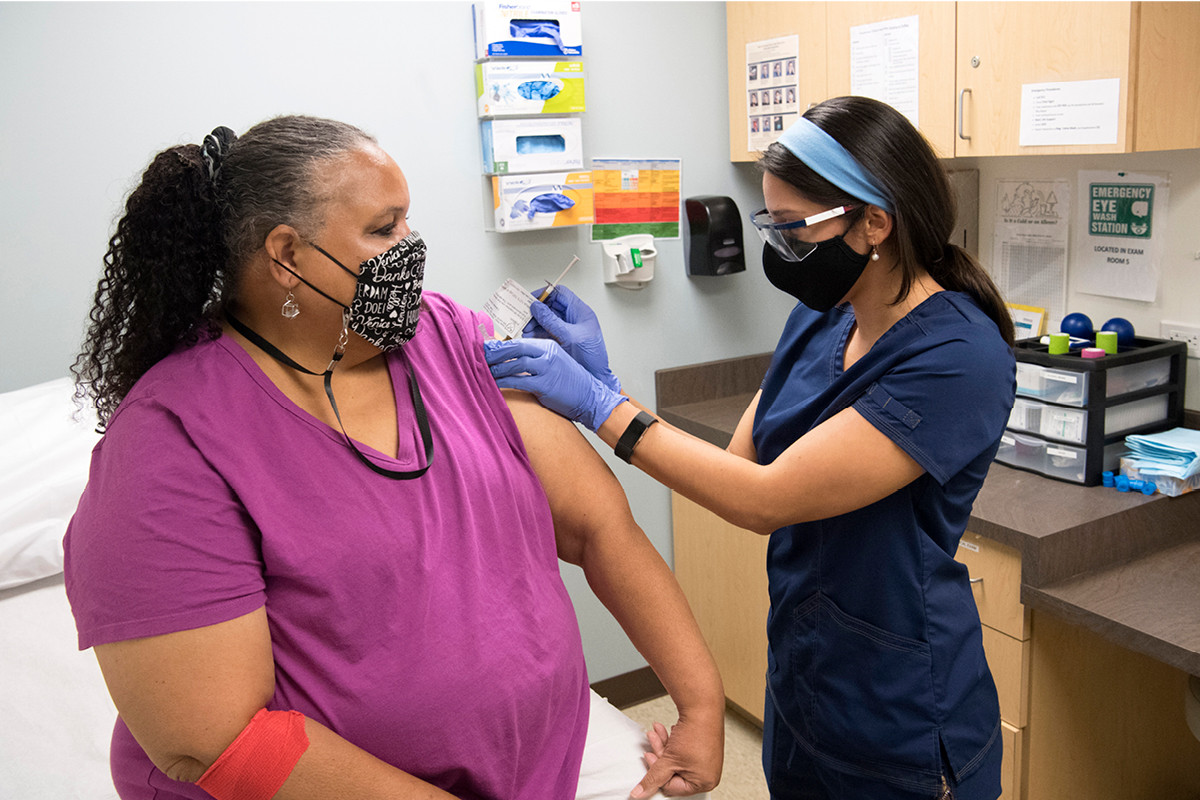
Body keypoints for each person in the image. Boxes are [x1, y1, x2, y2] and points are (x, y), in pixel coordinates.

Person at [64, 115, 724, 800]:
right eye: (384, 230)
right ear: (287, 254)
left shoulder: (456, 342)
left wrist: (700, 705)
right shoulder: (173, 439)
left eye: (407, 224)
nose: (411, 249)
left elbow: (599, 529)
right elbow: (214, 738)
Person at [484, 96, 1017, 800]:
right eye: (772, 223)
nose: (779, 248)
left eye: (794, 229)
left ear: (874, 224)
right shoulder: (823, 315)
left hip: (901, 698)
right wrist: (609, 386)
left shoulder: (957, 356)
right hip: (805, 667)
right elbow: (740, 467)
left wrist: (599, 404)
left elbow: (765, 501)